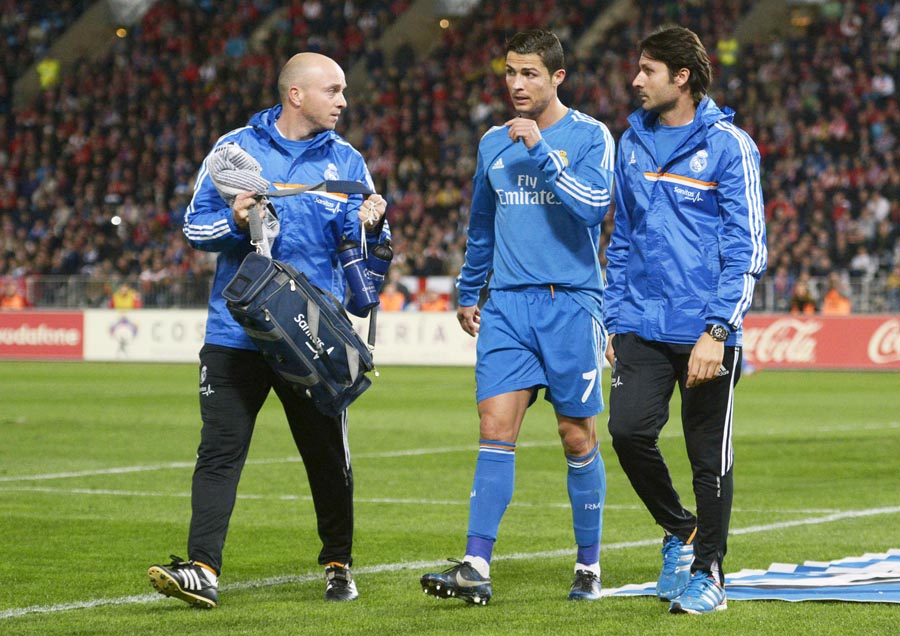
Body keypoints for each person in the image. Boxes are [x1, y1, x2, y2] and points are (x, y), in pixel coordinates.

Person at [147, 52, 389, 608]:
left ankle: (338, 563)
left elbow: (365, 245)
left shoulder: (348, 160)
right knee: (219, 452)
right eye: (333, 90)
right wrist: (233, 220)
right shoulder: (235, 150)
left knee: (326, 456)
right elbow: (194, 226)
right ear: (296, 95)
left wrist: (373, 226)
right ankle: (203, 568)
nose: (344, 101)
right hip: (237, 332)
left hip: (311, 335)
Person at [420, 30, 614, 604]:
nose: (517, 84)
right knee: (493, 427)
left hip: (572, 301)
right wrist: (468, 288)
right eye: (510, 72)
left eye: (529, 74)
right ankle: (476, 563)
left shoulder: (588, 137)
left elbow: (594, 207)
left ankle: (588, 565)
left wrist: (542, 155)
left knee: (575, 435)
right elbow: (481, 225)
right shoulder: (491, 144)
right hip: (506, 304)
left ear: (557, 77)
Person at [604, 26, 767, 615]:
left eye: (647, 70)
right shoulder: (632, 143)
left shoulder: (730, 145)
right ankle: (681, 530)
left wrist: (718, 330)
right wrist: (614, 320)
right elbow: (621, 239)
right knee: (626, 431)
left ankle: (710, 575)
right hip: (642, 325)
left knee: (707, 457)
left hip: (706, 332)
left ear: (682, 77)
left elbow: (747, 249)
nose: (635, 80)